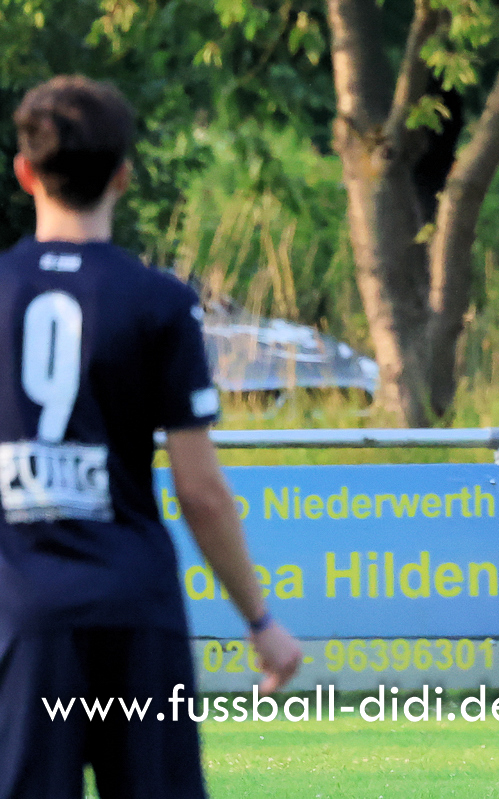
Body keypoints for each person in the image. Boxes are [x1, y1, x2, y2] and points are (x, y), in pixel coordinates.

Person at [0, 75, 303, 798]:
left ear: (24, 172)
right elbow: (200, 491)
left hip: (20, 614)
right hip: (134, 607)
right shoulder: (159, 300)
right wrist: (260, 619)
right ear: (123, 175)